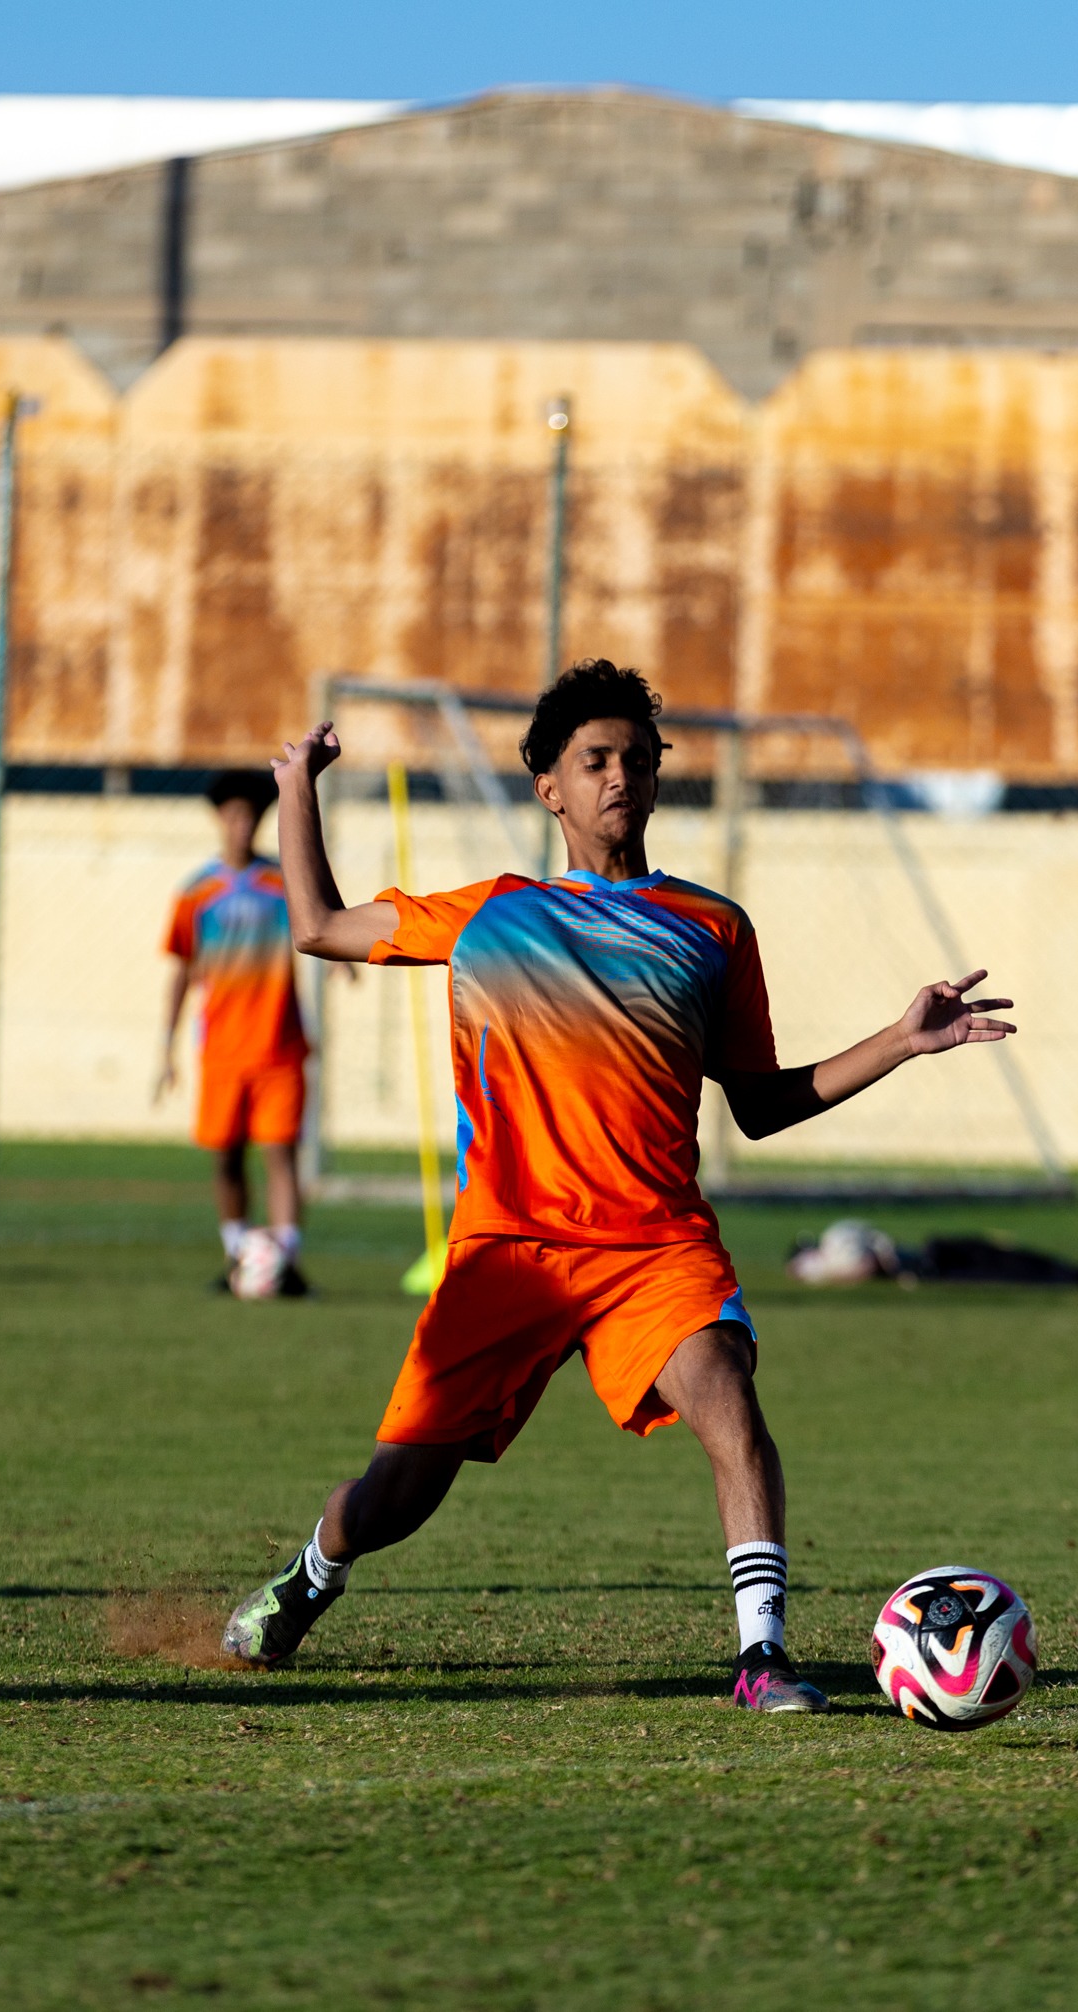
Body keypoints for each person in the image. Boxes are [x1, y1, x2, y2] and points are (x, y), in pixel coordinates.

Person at [219, 660, 1015, 1713]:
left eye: (638, 759)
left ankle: (762, 1654)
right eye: (595, 760)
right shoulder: (488, 916)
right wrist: (294, 789)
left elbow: (762, 1102)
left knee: (728, 1395)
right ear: (548, 785)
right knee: (395, 1495)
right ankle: (312, 1574)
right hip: (510, 1248)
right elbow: (318, 924)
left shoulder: (712, 927)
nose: (620, 777)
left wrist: (898, 1042)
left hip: (655, 1243)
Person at [158, 768, 312, 1296]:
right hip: (222, 1051)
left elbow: (321, 925)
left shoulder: (285, 883)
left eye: (251, 815)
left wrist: (341, 961)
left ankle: (284, 1262)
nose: (241, 824)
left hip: (280, 1047)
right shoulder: (196, 893)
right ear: (221, 820)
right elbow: (180, 968)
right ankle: (237, 1257)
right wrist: (166, 1048)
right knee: (226, 1157)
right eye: (233, 815)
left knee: (280, 1154)